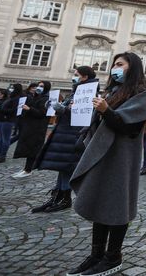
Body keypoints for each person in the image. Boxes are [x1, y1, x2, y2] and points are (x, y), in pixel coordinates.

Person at [67, 52, 146, 276]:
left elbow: (131, 129)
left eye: (120, 64)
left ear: (132, 68)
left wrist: (106, 110)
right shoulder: (112, 91)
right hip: (102, 153)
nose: (115, 68)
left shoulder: (141, 94)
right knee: (99, 199)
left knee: (117, 204)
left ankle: (113, 256)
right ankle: (96, 255)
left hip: (122, 157)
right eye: (114, 64)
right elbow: (99, 122)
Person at [32, 66, 97, 213]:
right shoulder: (76, 90)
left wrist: (64, 109)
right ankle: (57, 195)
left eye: (76, 74)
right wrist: (57, 107)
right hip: (65, 133)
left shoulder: (89, 91)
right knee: (62, 167)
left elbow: (84, 116)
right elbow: (70, 109)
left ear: (85, 76)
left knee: (67, 167)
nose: (73, 77)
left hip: (73, 135)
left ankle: (65, 198)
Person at [12, 81, 51, 178]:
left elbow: (42, 113)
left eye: (41, 86)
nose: (39, 87)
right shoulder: (36, 97)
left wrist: (29, 109)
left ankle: (28, 170)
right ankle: (26, 169)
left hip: (38, 128)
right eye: (38, 85)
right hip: (31, 127)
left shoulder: (45, 99)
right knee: (29, 149)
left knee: (33, 150)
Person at [0, 83, 23, 164]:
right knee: (0, 140)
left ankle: (2, 156)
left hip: (8, 120)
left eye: (12, 88)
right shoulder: (10, 97)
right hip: (2, 120)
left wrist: (1, 110)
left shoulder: (17, 98)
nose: (11, 89)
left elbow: (13, 110)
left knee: (5, 140)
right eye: (10, 87)